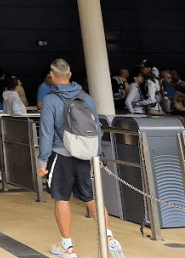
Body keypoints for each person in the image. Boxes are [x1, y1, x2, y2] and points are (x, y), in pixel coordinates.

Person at [37, 58, 124, 258]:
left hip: (61, 155)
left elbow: (46, 132)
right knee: (92, 198)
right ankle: (109, 239)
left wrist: (42, 161)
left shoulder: (50, 100)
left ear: (52, 77)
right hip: (86, 155)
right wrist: (95, 153)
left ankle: (67, 247)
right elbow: (97, 128)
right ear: (69, 75)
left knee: (61, 199)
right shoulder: (86, 98)